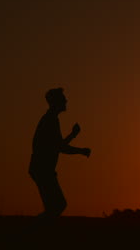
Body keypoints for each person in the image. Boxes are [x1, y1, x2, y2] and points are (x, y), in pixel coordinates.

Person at [29, 88, 91, 225]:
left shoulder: (51, 119)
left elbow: (58, 145)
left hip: (43, 169)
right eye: (63, 98)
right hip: (42, 169)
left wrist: (73, 135)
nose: (66, 100)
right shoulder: (50, 120)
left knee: (55, 207)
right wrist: (81, 151)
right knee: (57, 206)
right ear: (56, 102)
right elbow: (60, 148)